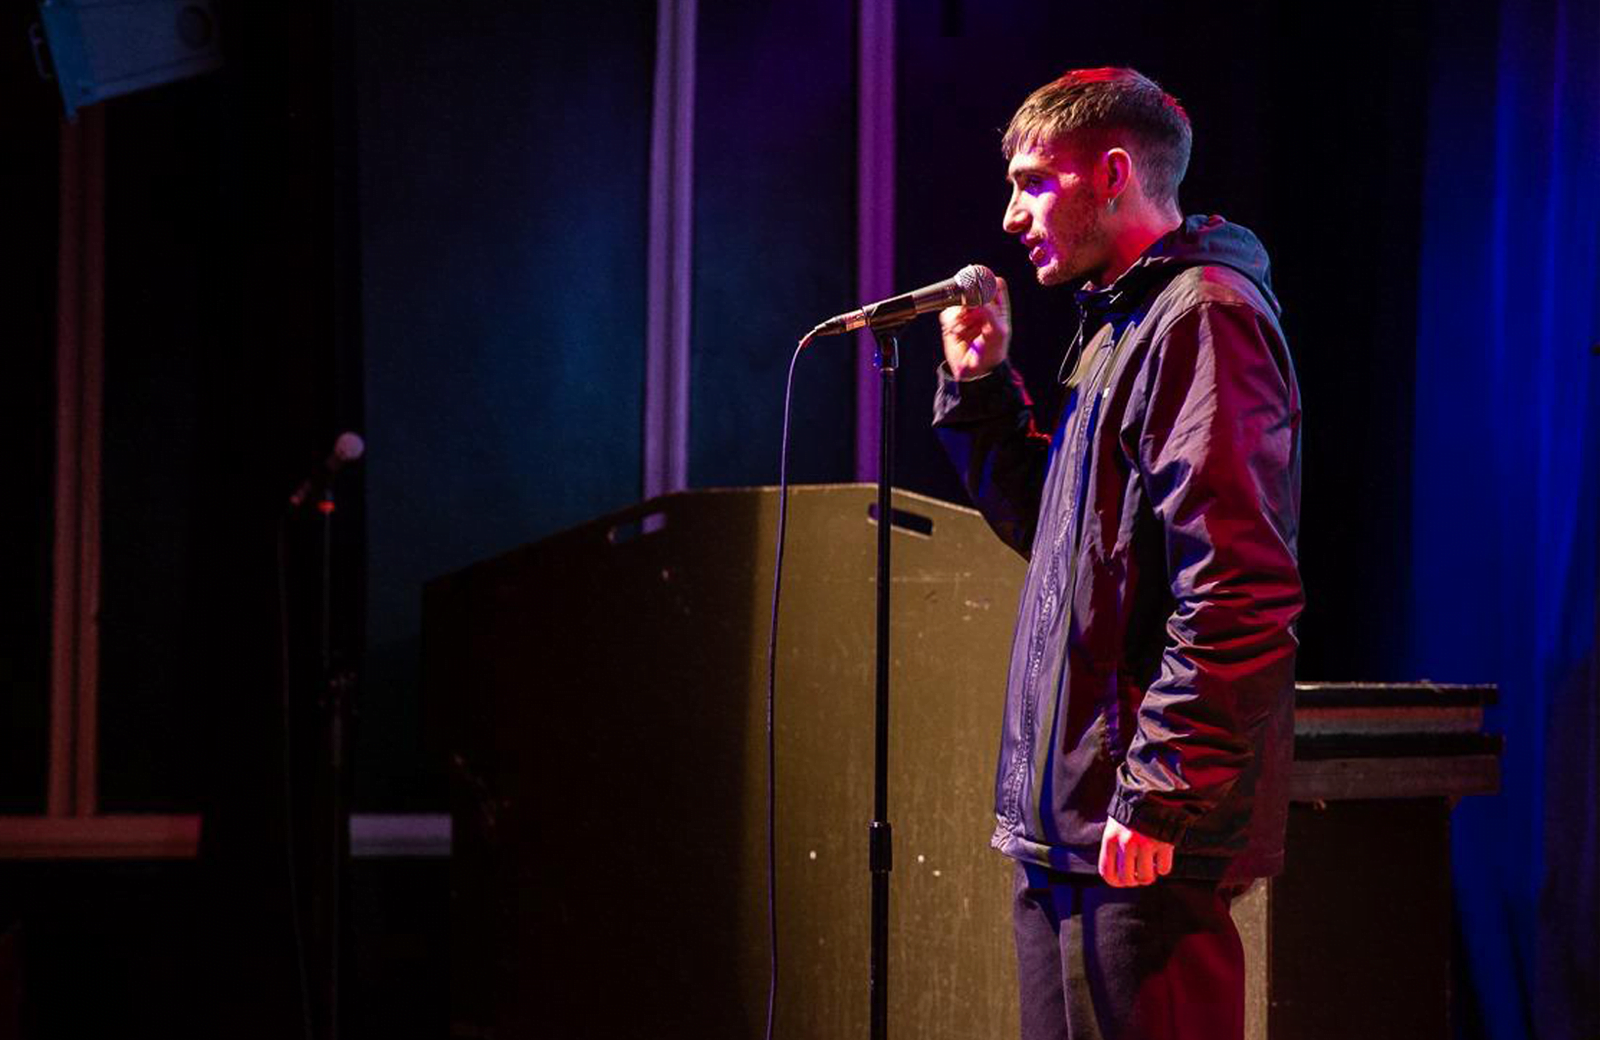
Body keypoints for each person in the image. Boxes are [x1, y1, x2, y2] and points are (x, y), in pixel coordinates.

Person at [933, 67, 1303, 1040]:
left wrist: (1165, 792)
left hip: (1134, 823)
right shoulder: (1119, 325)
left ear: (1110, 172)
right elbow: (1066, 548)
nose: (1011, 216)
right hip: (1071, 818)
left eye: (1032, 182)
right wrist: (981, 394)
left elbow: (1237, 587)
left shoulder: (1203, 315)